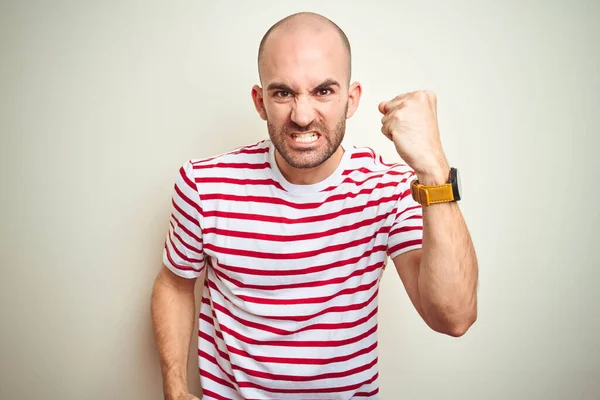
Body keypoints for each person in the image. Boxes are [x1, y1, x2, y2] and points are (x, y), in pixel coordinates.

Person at [151, 11, 478, 400]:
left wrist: (434, 169)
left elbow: (454, 318)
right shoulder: (204, 184)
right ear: (260, 101)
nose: (302, 116)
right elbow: (174, 283)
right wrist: (174, 385)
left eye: (323, 91)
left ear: (351, 99)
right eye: (283, 92)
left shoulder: (389, 188)